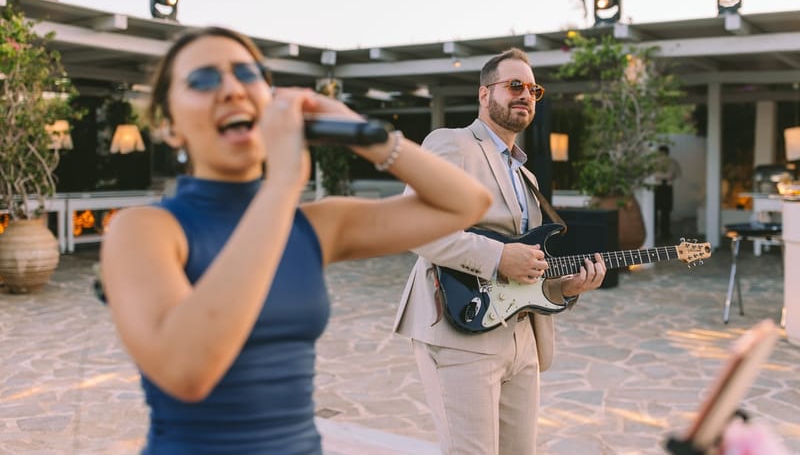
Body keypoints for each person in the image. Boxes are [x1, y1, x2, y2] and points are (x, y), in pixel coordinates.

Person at [99, 26, 492, 454]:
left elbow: (467, 203)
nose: (231, 89)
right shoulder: (142, 229)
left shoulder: (316, 224)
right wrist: (283, 181)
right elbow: (186, 370)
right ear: (169, 126)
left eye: (247, 74)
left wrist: (360, 129)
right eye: (204, 79)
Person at [393, 48, 608, 455]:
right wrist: (496, 257)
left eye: (533, 89)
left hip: (522, 338)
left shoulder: (525, 174)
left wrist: (564, 287)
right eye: (514, 85)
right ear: (483, 94)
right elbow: (411, 225)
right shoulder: (452, 143)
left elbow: (525, 264)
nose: (526, 94)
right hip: (460, 329)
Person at [653, 144, 682, 239]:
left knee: (656, 210)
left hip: (657, 187)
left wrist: (660, 176)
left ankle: (655, 231)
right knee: (665, 211)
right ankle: (664, 232)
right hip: (666, 187)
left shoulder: (654, 162)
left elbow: (652, 175)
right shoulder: (672, 161)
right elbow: (677, 174)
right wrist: (668, 176)